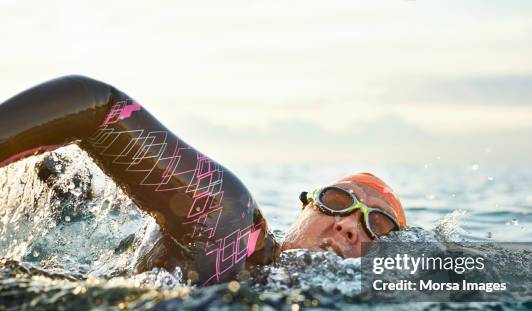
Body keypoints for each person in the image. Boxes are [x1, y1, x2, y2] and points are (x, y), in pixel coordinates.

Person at [0, 75, 407, 285]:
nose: (351, 225)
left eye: (378, 225)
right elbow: (94, 105)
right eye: (337, 200)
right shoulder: (230, 220)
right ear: (304, 207)